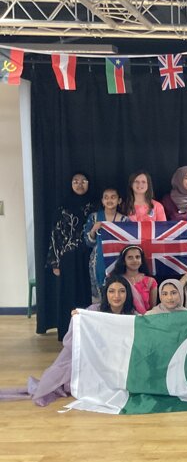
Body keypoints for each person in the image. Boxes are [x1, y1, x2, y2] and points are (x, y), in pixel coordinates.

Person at [0, 276, 135, 407]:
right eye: (111, 291)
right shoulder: (94, 311)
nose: (116, 296)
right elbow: (75, 339)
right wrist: (78, 319)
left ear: (127, 294)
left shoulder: (132, 315)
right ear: (106, 293)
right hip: (93, 359)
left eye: (121, 291)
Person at [47, 171, 96, 340]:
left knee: (86, 293)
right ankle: (67, 334)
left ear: (89, 183)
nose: (79, 185)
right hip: (67, 258)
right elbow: (55, 235)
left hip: (88, 257)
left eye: (83, 181)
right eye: (76, 181)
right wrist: (55, 262)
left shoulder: (95, 206)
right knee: (68, 294)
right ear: (71, 184)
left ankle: (86, 335)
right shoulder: (62, 208)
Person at [83, 187, 128, 303]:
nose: (109, 200)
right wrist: (93, 230)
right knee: (99, 296)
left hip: (118, 261)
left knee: (116, 292)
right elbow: (88, 243)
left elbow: (129, 245)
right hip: (98, 262)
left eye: (113, 197)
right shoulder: (94, 218)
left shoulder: (125, 220)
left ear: (119, 200)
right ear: (102, 201)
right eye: (106, 197)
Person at [111, 245, 158, 314]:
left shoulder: (150, 282)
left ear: (141, 260)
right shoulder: (117, 280)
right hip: (122, 318)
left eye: (137, 257)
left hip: (144, 318)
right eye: (130, 257)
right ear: (124, 261)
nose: (135, 260)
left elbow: (153, 309)